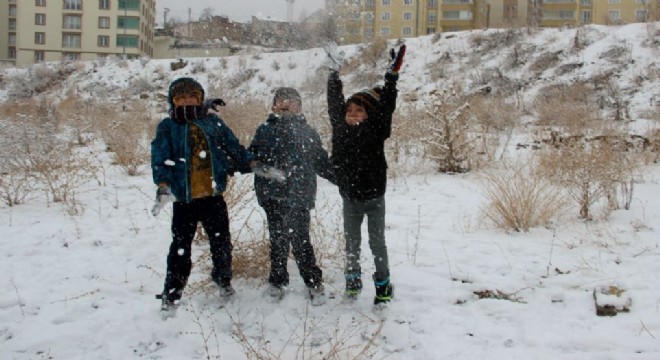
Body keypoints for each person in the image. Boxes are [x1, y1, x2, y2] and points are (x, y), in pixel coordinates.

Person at [151, 77, 283, 314]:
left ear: (200, 98)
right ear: (173, 101)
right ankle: (172, 295)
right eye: (180, 98)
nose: (185, 101)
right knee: (180, 249)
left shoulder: (212, 123)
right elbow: (160, 158)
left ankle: (223, 282)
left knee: (221, 245)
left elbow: (234, 148)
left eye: (191, 96)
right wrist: (163, 186)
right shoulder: (167, 126)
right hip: (184, 201)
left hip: (213, 197)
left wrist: (253, 164)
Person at [325, 44, 406, 306]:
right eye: (350, 111)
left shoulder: (376, 130)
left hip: (373, 198)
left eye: (359, 111)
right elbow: (334, 102)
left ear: (369, 115)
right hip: (350, 198)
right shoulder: (340, 127)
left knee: (377, 243)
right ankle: (352, 280)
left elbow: (387, 106)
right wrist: (333, 75)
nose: (352, 115)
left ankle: (383, 285)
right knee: (352, 244)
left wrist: (391, 77)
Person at [248, 87, 335, 306]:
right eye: (280, 100)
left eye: (292, 101)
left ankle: (314, 282)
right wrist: (259, 167)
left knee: (301, 241)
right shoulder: (264, 131)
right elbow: (251, 159)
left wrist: (343, 181)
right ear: (273, 105)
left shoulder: (308, 133)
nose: (285, 103)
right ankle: (277, 281)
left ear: (299, 107)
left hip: (299, 196)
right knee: (277, 241)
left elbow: (322, 163)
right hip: (272, 196)